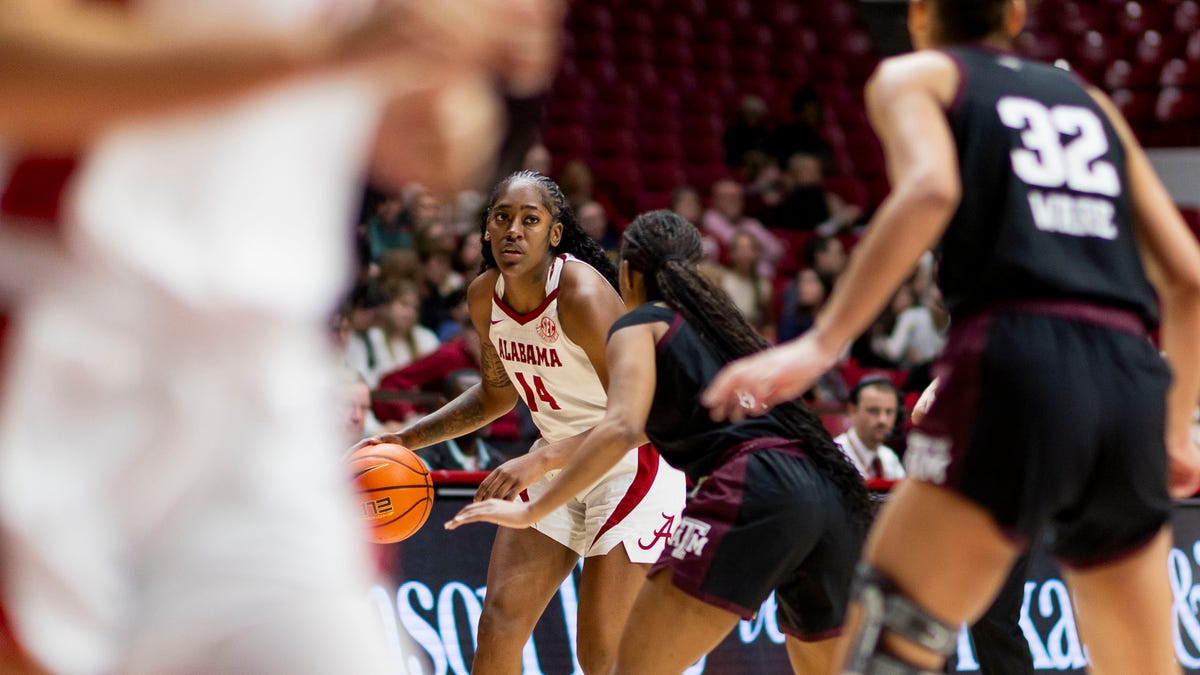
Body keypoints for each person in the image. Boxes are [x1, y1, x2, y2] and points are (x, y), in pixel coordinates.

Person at [0, 1, 563, 673]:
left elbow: (422, 143)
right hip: (69, 330)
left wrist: (449, 94)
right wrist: (326, 58)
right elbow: (17, 62)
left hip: (264, 375)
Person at [703, 1, 1200, 673]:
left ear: (919, 14)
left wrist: (821, 343)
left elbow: (931, 187)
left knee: (891, 630)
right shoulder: (1089, 102)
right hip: (1128, 375)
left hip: (1017, 356)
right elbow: (1190, 281)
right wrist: (1171, 431)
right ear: (1018, 16)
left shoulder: (918, 77)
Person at [446, 210, 872, 673]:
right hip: (827, 489)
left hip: (758, 484)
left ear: (627, 273)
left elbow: (622, 428)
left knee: (628, 667)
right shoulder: (726, 327)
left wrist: (532, 506)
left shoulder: (638, 324)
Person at [360, 171, 685, 674]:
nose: (514, 230)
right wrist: (408, 438)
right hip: (555, 459)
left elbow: (646, 414)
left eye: (530, 220)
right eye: (502, 218)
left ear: (554, 234)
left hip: (632, 465)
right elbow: (495, 395)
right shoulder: (484, 297)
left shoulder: (580, 293)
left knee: (602, 657)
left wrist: (543, 459)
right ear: (486, 231)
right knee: (498, 628)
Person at [415, 369, 507, 472]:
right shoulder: (423, 461)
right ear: (444, 407)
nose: (485, 412)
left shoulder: (497, 462)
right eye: (471, 404)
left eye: (488, 402)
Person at [835, 375, 905, 481]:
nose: (883, 420)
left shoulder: (889, 457)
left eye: (889, 412)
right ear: (853, 410)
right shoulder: (835, 454)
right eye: (873, 411)